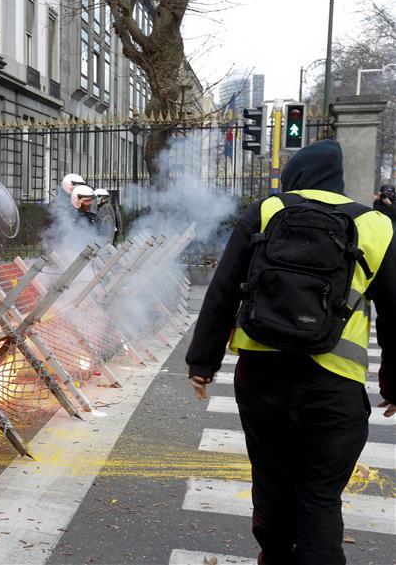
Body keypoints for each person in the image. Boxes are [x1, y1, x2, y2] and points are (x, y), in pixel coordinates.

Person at [186, 139, 396, 565]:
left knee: (271, 480)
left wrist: (202, 363)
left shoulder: (266, 211)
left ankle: (276, 557)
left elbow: (223, 290)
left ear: (295, 177)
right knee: (319, 495)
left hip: (263, 378)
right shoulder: (378, 224)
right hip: (334, 385)